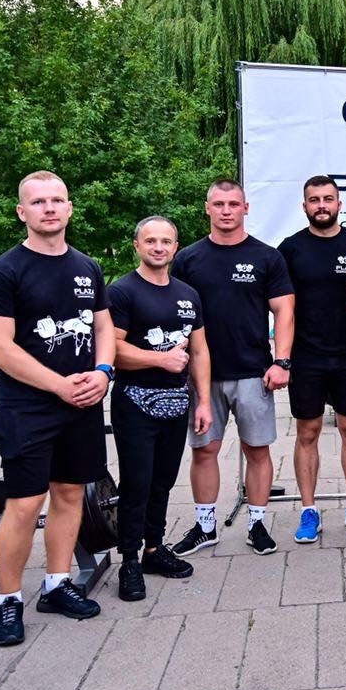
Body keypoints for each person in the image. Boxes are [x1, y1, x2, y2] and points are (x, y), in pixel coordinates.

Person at [0, 171, 114, 646]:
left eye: (57, 200)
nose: (49, 208)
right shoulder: (3, 272)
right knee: (25, 502)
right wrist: (59, 386)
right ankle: (8, 600)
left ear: (70, 208)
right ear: (22, 212)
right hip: (28, 407)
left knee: (71, 494)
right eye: (38, 202)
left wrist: (103, 373)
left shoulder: (87, 267)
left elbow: (102, 327)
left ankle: (57, 585)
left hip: (82, 402)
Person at [169, 179, 294, 558]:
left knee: (257, 450)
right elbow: (174, 311)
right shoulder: (188, 259)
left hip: (253, 372)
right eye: (219, 204)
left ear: (245, 208)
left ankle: (257, 524)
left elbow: (284, 310)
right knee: (204, 451)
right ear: (207, 208)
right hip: (201, 376)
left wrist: (282, 361)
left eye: (233, 204)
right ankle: (205, 526)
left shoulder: (266, 256)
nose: (226, 211)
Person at [108, 216, 211, 601]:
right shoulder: (122, 292)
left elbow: (199, 350)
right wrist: (159, 359)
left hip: (176, 405)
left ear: (175, 247)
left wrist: (203, 401)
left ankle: (154, 549)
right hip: (135, 402)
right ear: (137, 245)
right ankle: (129, 560)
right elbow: (112, 348)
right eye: (150, 240)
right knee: (137, 483)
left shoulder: (188, 294)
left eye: (165, 241)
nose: (158, 247)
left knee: (163, 481)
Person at [278, 176, 346, 543]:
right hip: (306, 356)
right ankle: (308, 510)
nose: (321, 205)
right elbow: (280, 308)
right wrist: (280, 357)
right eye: (314, 199)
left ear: (339, 204)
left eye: (327, 199)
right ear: (304, 206)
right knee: (308, 432)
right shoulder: (290, 249)